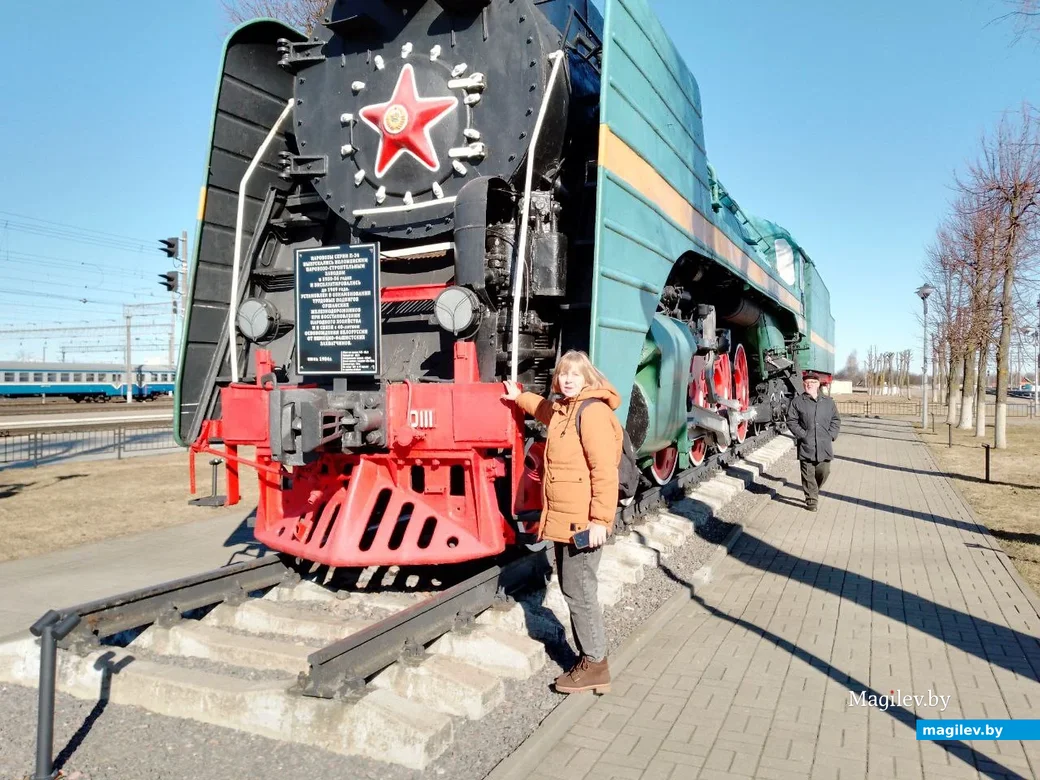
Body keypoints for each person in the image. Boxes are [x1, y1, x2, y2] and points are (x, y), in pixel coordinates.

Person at [502, 350, 623, 695]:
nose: (568, 379)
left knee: (579, 591)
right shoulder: (564, 410)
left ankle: (595, 664)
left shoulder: (593, 412)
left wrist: (600, 520)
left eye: (575, 374)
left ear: (588, 379)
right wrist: (518, 397)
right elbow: (544, 411)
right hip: (566, 519)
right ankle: (590, 659)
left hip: (583, 523)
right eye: (563, 374)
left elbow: (604, 471)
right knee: (575, 588)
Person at [786, 372, 841, 511]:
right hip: (806, 445)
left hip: (824, 444)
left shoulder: (829, 402)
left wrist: (831, 435)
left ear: (818, 384)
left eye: (812, 382)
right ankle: (811, 501)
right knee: (807, 474)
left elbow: (836, 420)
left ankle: (813, 490)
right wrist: (803, 435)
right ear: (803, 384)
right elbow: (791, 421)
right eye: (806, 382)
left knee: (824, 472)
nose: (809, 384)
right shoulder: (797, 402)